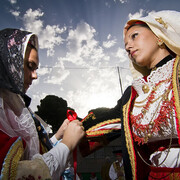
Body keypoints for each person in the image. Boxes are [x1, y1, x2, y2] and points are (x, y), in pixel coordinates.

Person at [79, 10, 180, 179]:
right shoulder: (133, 93)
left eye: (134, 36)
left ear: (158, 35)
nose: (128, 46)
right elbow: (109, 120)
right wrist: (75, 126)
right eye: (125, 45)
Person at [0, 28, 85, 179]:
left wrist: (58, 135)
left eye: (36, 68)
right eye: (30, 66)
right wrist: (66, 145)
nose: (35, 76)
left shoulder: (16, 105)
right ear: (9, 63)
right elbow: (16, 173)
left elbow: (34, 155)